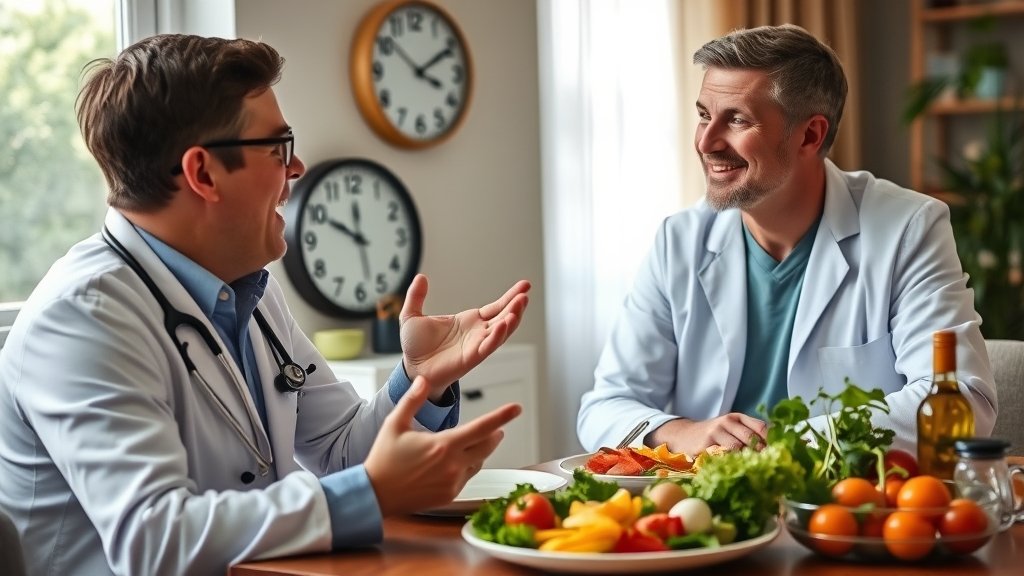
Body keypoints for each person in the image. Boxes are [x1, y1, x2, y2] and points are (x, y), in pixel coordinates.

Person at [0, 34, 530, 575]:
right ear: (203, 173)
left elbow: (343, 453)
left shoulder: (248, 288)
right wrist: (367, 494)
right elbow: (154, 540)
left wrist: (420, 380)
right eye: (277, 147)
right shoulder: (82, 318)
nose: (296, 167)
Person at [577, 24, 996, 459]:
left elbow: (964, 402)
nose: (706, 141)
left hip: (846, 508)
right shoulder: (679, 241)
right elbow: (603, 406)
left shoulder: (908, 228)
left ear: (811, 135)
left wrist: (780, 446)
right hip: (712, 514)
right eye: (704, 114)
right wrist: (681, 433)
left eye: (737, 119)